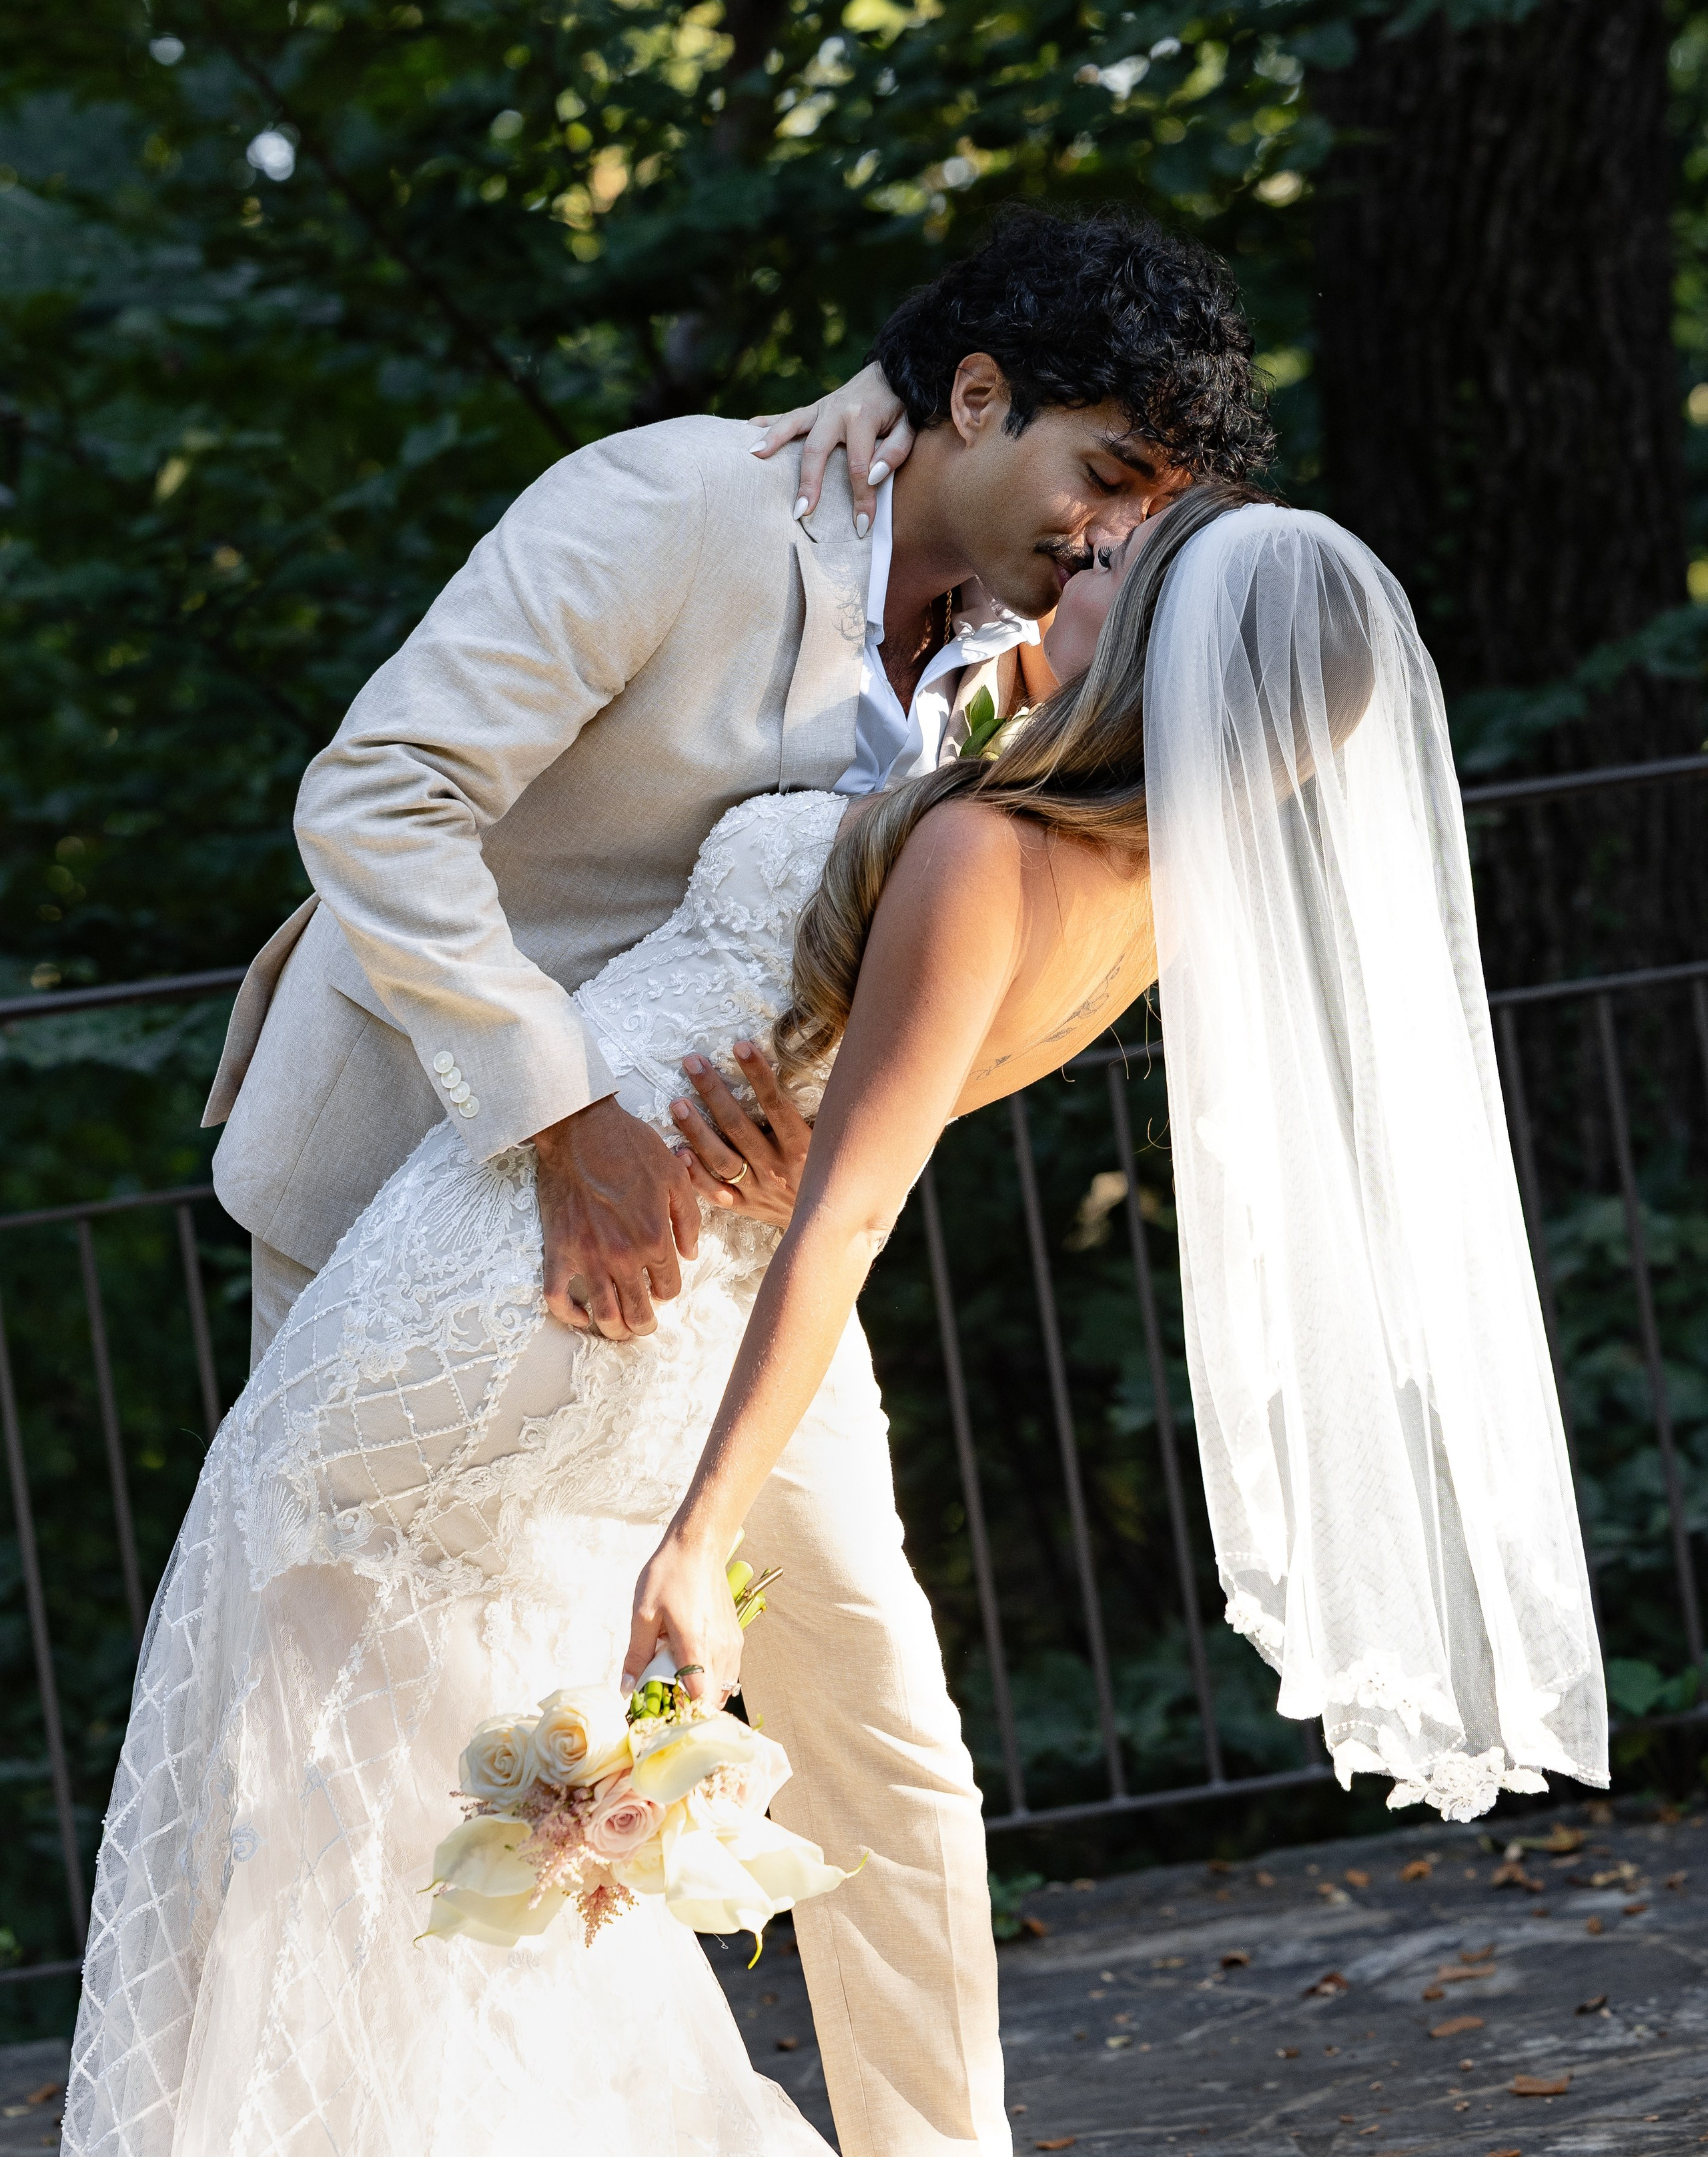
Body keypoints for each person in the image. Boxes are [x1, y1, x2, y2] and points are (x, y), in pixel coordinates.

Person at [64, 482, 1606, 2157]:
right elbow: (893, 1096)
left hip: (530, 1272)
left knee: (329, 1726)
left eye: (1111, 565)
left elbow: (859, 1198)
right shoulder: (1142, 884)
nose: (1073, 561)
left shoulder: (980, 842)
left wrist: (696, 1536)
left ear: (1159, 651)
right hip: (607, 1273)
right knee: (413, 1770)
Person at [150, 206, 1270, 2157]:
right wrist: (562, 1115)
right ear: (975, 399)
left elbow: (957, 978)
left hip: (738, 1246)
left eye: (1146, 506)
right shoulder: (678, 505)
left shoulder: (1033, 661)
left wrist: (810, 1148)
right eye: (1101, 474)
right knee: (394, 1737)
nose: (1109, 534)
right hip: (426, 1202)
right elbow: (378, 794)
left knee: (882, 1720)